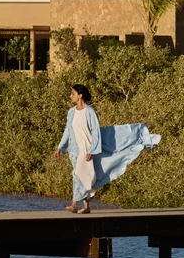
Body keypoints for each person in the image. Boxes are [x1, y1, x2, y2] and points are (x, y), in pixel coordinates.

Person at [54, 84, 161, 213]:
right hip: (74, 148)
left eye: (73, 93)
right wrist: (60, 147)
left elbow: (96, 132)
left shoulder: (90, 112)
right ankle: (86, 206)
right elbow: (67, 130)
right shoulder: (71, 112)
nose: (71, 96)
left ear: (80, 95)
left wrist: (92, 150)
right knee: (85, 175)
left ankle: (74, 204)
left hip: (87, 148)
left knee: (78, 174)